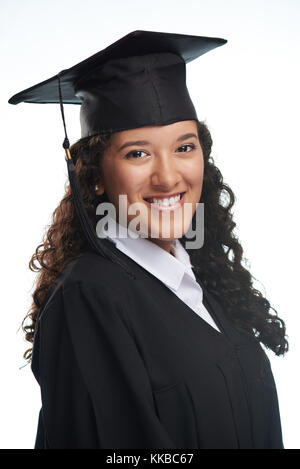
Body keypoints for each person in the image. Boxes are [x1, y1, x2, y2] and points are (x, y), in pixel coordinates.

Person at [9, 30, 288, 449]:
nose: (169, 177)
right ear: (95, 174)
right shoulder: (90, 297)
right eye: (137, 153)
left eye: (184, 147)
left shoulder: (201, 282)